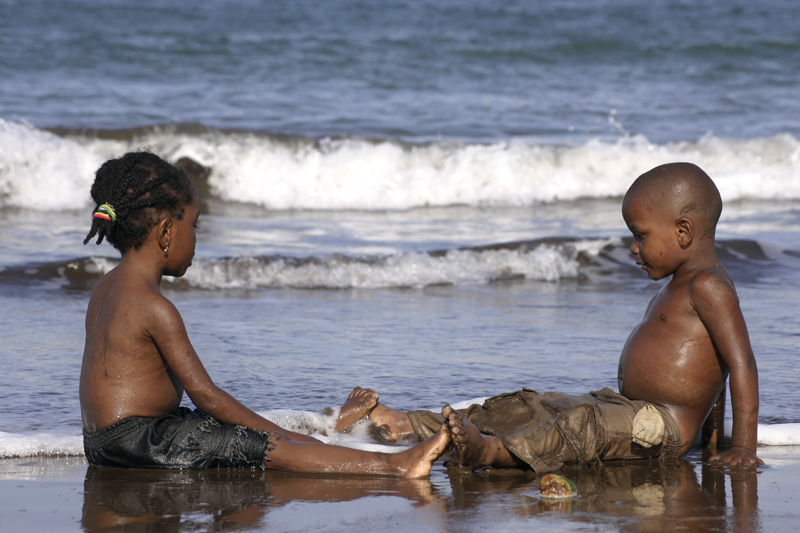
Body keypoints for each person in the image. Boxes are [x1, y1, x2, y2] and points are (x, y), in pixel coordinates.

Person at [336, 162, 763, 472]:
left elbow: (739, 364)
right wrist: (712, 438)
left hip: (659, 427)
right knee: (536, 404)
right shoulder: (680, 284)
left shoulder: (709, 286)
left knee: (580, 425)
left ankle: (493, 453)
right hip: (627, 409)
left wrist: (740, 445)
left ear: (684, 232)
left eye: (640, 236)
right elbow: (712, 369)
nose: (633, 248)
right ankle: (410, 425)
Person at [79, 151, 449, 477]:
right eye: (194, 226)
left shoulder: (106, 289)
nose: (196, 237)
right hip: (142, 442)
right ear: (164, 233)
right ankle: (396, 465)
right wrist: (282, 436)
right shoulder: (156, 308)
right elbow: (208, 396)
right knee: (268, 447)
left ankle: (329, 432)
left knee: (237, 430)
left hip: (104, 441)